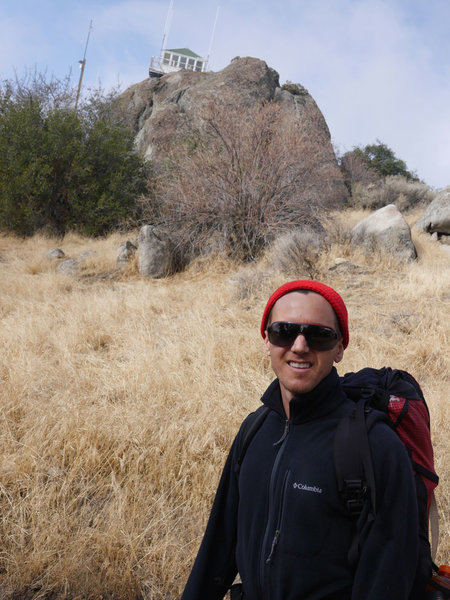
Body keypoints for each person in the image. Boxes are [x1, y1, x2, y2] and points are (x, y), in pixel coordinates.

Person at [181, 280, 420, 600]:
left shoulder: (375, 447)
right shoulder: (255, 428)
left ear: (340, 348)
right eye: (284, 331)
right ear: (266, 340)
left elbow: (386, 580)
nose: (299, 345)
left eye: (319, 335)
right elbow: (217, 547)